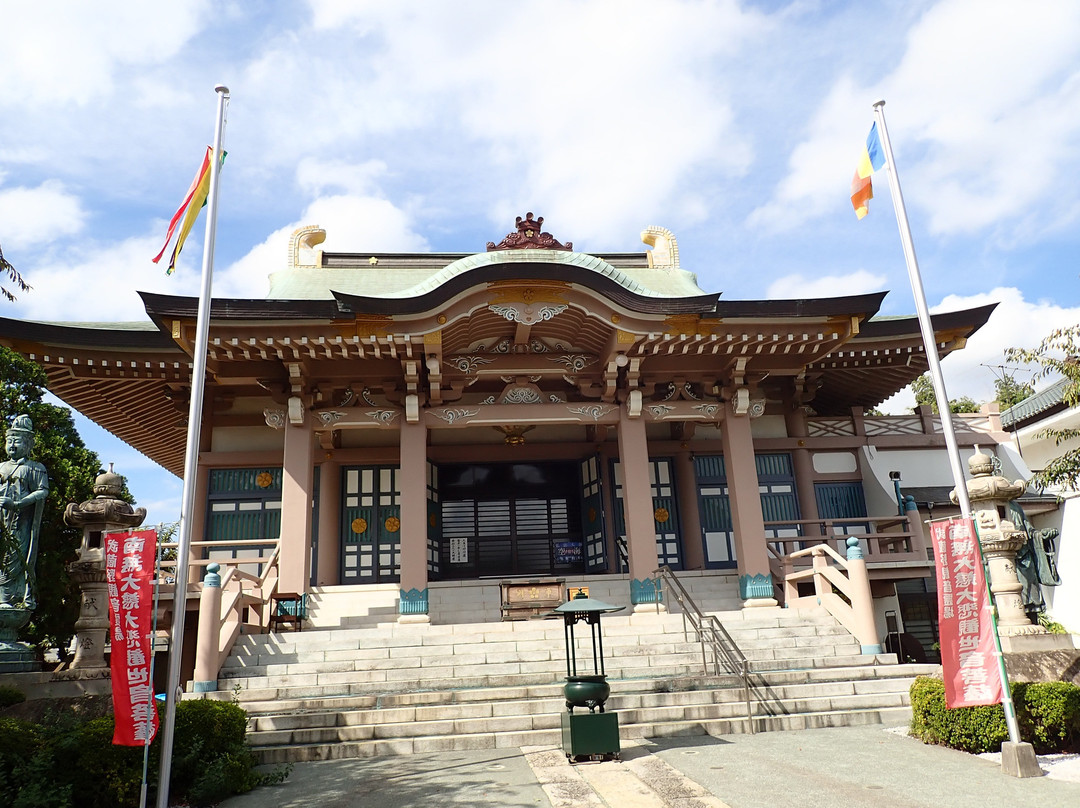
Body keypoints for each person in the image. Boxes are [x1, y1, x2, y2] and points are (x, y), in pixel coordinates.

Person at [0, 415, 49, 610]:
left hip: (20, 522)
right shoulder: (1, 467)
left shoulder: (35, 468)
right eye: (9, 440)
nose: (12, 445)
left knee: (13, 557)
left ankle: (7, 598)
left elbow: (42, 491)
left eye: (17, 441)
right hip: (1, 521)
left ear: (28, 444)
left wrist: (18, 503)